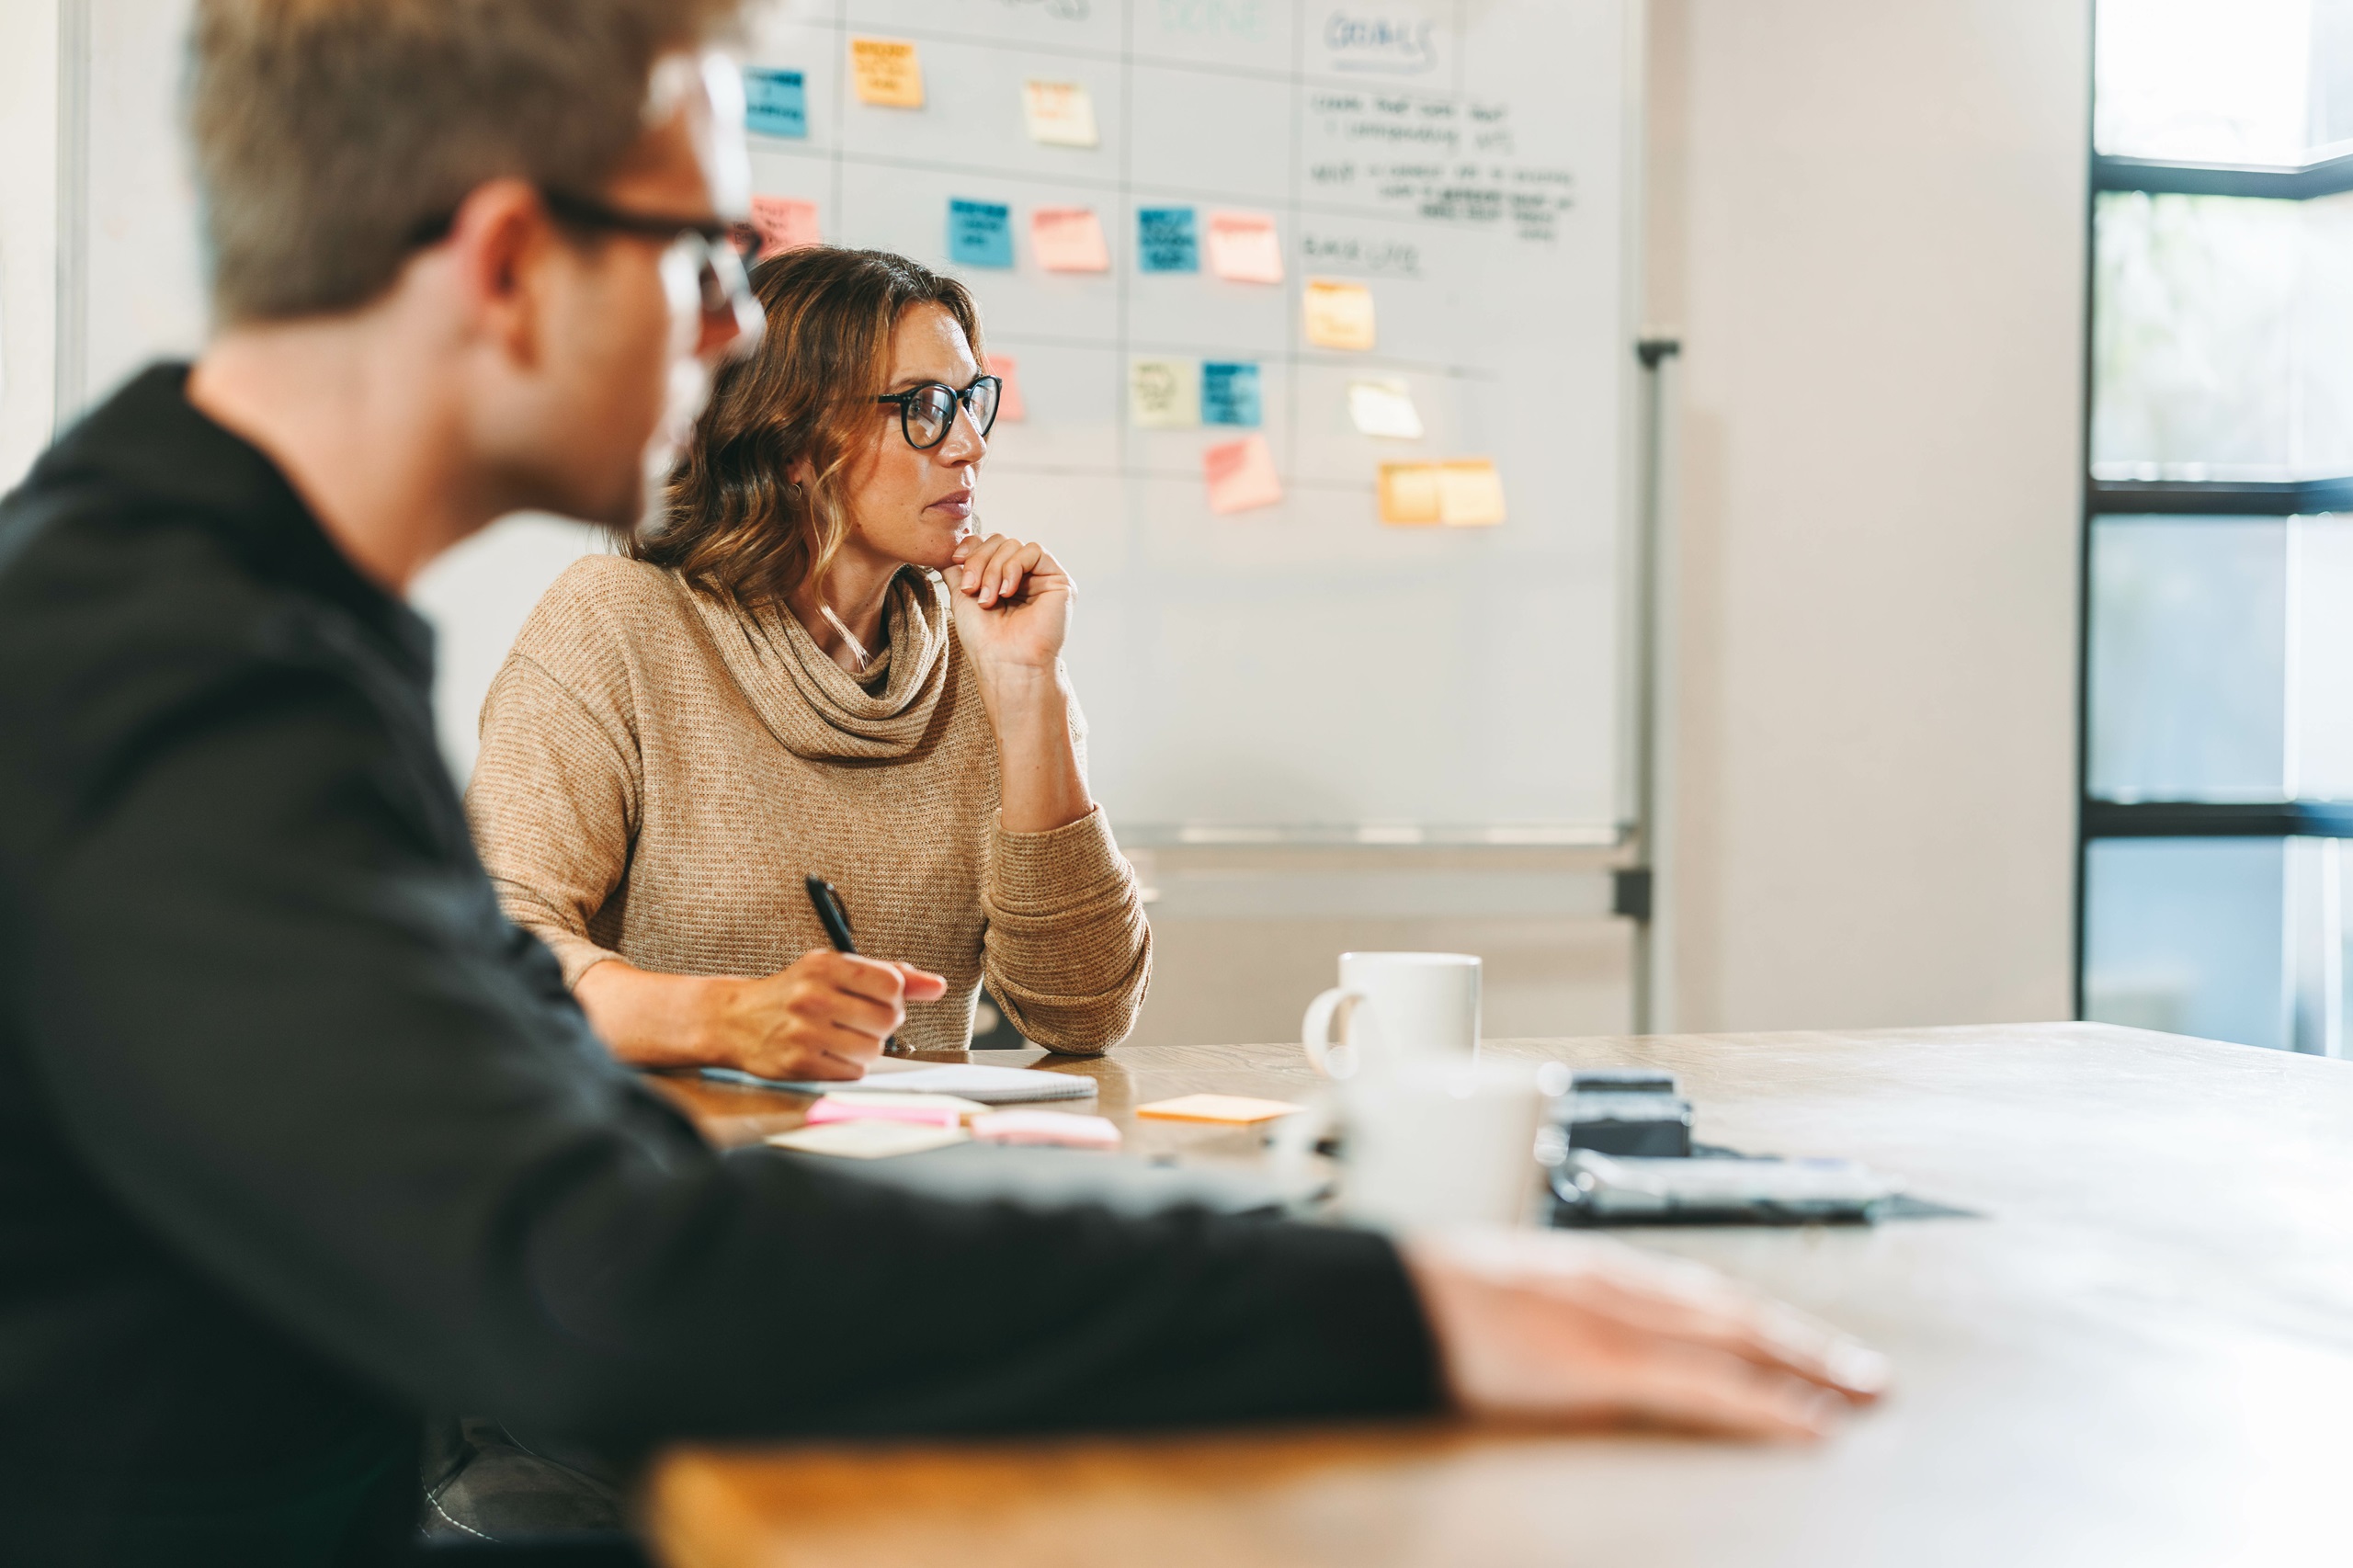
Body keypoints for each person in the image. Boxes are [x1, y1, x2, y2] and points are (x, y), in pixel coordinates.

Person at [0, 1, 1885, 1562]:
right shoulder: (166, 681)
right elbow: (598, 1271)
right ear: (504, 262)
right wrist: (1392, 1314)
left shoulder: (242, 613)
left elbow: (585, 1140)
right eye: (694, 255)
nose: (732, 331)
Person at [466, 246, 1144, 1075]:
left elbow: (1084, 1012)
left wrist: (1029, 688)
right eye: (927, 407)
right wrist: (727, 1019)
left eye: (971, 401)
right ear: (793, 442)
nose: (970, 444)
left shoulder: (990, 653)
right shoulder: (620, 623)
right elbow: (493, 954)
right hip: (668, 1171)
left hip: (902, 1171)